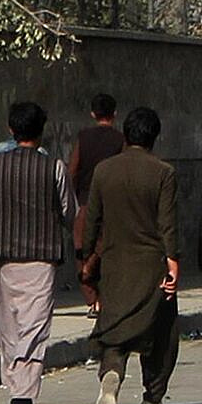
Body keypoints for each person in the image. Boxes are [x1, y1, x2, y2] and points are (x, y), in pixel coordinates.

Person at [0, 102, 76, 404]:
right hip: (41, 258)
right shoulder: (54, 167)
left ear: (11, 130)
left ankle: (18, 394)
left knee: (10, 328)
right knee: (33, 328)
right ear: (42, 132)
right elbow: (69, 212)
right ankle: (21, 397)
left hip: (2, 256)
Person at [81, 106, 180, 404]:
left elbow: (92, 219)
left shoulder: (103, 171)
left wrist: (87, 261)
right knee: (162, 330)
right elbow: (167, 224)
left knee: (115, 326)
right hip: (152, 265)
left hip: (114, 263)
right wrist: (173, 262)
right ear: (155, 137)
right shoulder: (163, 172)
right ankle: (152, 398)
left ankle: (111, 372)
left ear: (126, 135)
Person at [67, 93, 124, 317]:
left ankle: (93, 299)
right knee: (106, 250)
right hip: (112, 205)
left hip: (85, 203)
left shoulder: (84, 138)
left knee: (82, 250)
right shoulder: (120, 140)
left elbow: (72, 170)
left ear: (92, 114)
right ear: (115, 114)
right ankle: (106, 297)